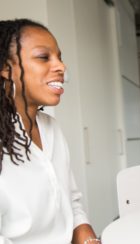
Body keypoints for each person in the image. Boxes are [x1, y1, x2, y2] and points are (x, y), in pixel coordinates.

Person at [0, 19, 100, 244]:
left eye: (60, 58)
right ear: (6, 69)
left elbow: (72, 203)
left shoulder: (51, 127)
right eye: (43, 57)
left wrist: (86, 235)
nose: (61, 67)